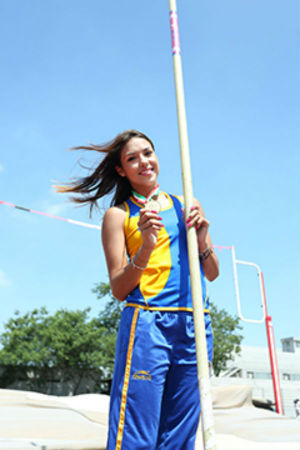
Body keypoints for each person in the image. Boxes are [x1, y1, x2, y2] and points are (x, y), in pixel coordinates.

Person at [57, 129, 219, 450]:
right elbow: (119, 287)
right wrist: (146, 247)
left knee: (179, 437)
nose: (144, 162)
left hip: (195, 324)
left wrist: (202, 239)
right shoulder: (118, 216)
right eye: (132, 158)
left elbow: (212, 273)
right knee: (137, 434)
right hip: (148, 324)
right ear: (121, 170)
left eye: (148, 153)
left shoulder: (187, 203)